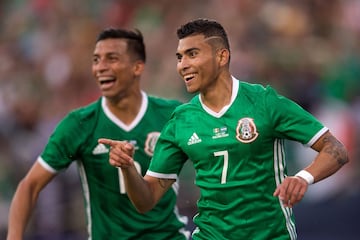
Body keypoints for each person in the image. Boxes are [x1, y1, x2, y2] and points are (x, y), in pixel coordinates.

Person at [99, 18, 349, 240]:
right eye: (179, 57)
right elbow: (147, 200)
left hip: (269, 234)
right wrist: (128, 169)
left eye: (192, 54)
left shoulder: (264, 102)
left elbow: (335, 149)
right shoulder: (181, 120)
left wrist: (302, 177)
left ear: (222, 56)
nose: (182, 65)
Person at [7, 28, 190, 240]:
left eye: (112, 59)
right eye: (96, 60)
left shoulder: (172, 115)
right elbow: (29, 186)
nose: (101, 67)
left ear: (137, 67)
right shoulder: (80, 124)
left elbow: (215, 159)